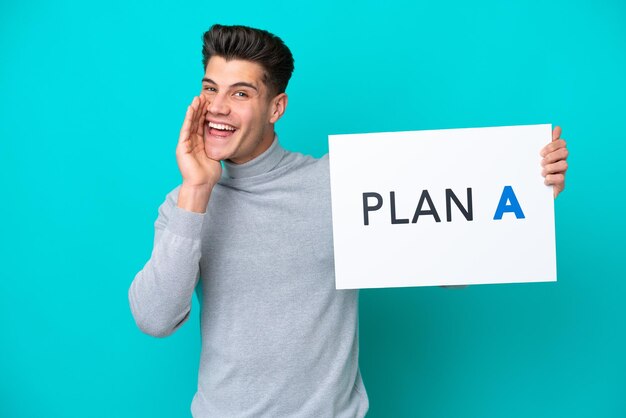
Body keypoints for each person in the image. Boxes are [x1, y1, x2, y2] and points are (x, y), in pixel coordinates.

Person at [128, 24, 569, 417]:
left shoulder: (342, 184)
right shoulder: (186, 202)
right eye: (210, 89)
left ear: (276, 107)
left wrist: (529, 191)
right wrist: (197, 190)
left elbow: (450, 263)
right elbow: (155, 318)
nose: (218, 107)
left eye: (240, 93)